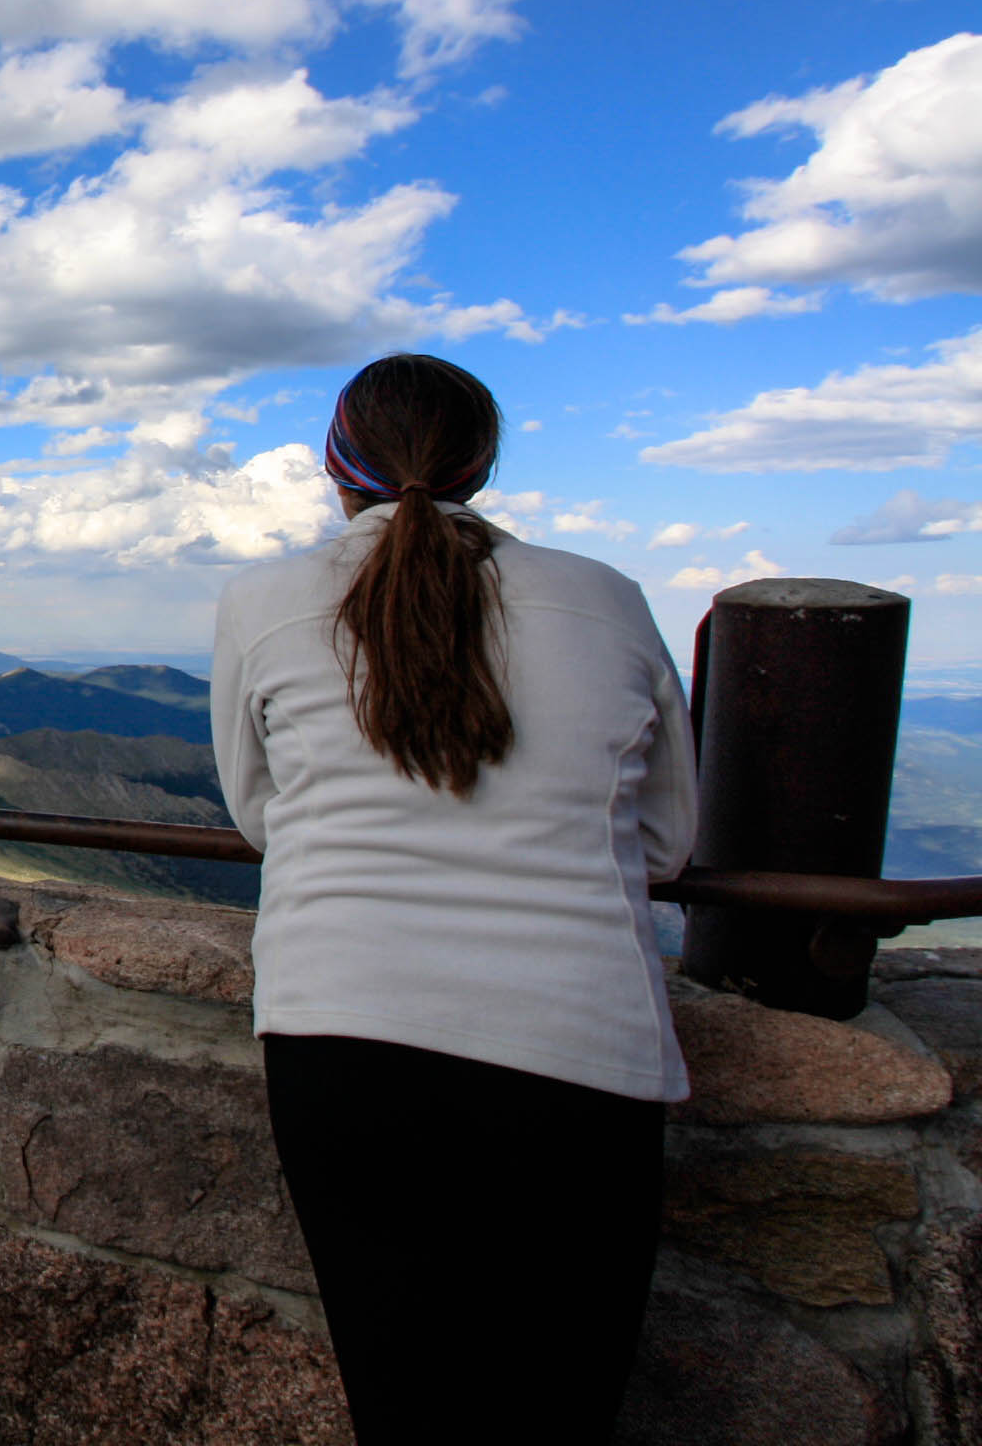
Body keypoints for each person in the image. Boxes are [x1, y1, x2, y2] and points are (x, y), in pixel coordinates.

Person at [210, 353, 695, 1445]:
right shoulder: (606, 601)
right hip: (577, 1044)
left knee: (400, 1396)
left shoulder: (260, 602)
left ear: (331, 465)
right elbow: (667, 837)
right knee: (560, 1401)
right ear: (481, 464)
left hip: (337, 1031)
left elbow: (259, 814)